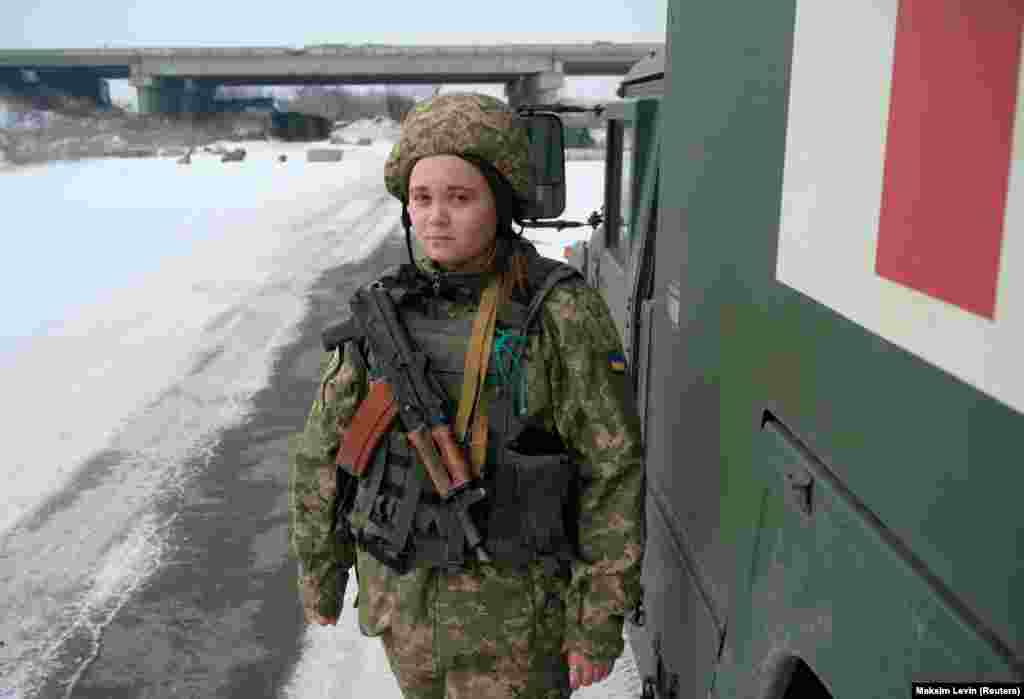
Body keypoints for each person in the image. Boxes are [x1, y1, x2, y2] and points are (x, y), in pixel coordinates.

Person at [289, 92, 644, 699]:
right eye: (422, 199)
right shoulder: (385, 311)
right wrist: (322, 567)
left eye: (460, 198)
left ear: (500, 204)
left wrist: (596, 621)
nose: (436, 218)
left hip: (515, 624)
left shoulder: (557, 312)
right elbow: (326, 451)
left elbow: (611, 470)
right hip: (406, 606)